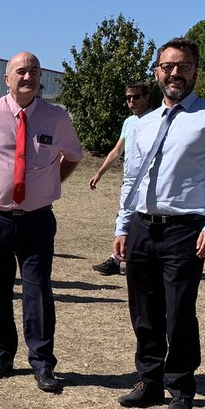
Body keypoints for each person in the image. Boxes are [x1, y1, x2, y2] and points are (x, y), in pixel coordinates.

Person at [113, 37, 205, 409]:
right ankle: (148, 380)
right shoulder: (143, 123)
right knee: (144, 310)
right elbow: (131, 176)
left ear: (195, 70)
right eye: (168, 67)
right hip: (142, 227)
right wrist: (122, 224)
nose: (175, 74)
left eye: (183, 66)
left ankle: (181, 387)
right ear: (157, 72)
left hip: (185, 228)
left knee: (179, 312)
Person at [0, 52, 83, 393]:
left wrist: (50, 183)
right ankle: (2, 355)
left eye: (34, 71)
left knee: (37, 291)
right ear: (7, 79)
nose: (29, 76)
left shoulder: (56, 117)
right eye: (21, 71)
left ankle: (42, 362)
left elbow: (74, 156)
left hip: (37, 220)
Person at [92, 82, 153, 276]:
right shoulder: (129, 122)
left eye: (136, 97)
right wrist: (99, 173)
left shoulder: (157, 119)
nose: (131, 101)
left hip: (149, 179)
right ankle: (116, 259)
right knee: (124, 217)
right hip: (130, 179)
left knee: (144, 219)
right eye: (128, 98)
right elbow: (117, 151)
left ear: (146, 97)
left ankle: (131, 259)